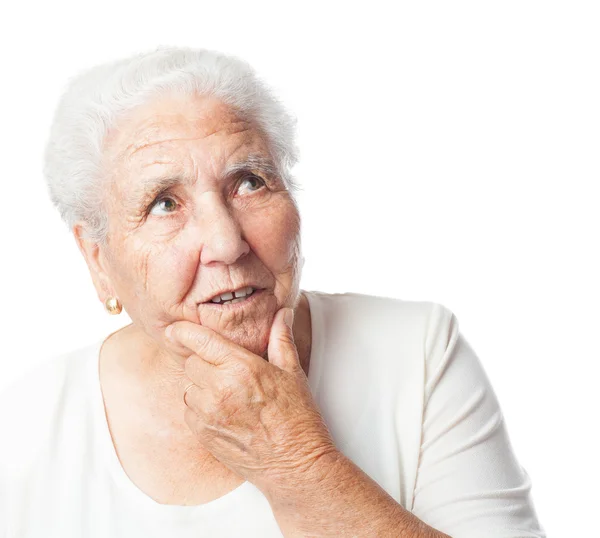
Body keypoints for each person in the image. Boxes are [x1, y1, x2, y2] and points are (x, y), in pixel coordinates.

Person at [0, 46, 546, 538]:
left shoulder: (419, 355)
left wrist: (299, 466)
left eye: (249, 181)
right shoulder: (23, 426)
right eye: (164, 203)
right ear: (98, 259)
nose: (226, 241)